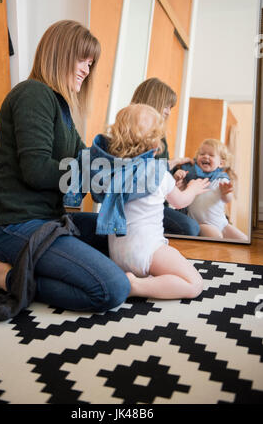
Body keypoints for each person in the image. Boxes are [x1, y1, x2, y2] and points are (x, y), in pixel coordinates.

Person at [0, 20, 131, 320]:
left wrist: (122, 161)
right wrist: (90, 171)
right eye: (82, 60)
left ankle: (29, 268)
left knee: (122, 237)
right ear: (60, 52)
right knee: (113, 288)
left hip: (47, 221)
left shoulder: (62, 110)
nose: (87, 70)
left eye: (91, 63)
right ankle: (7, 278)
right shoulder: (33, 94)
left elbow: (85, 159)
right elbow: (36, 170)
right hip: (11, 224)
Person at [65, 104, 209, 300]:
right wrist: (193, 189)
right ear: (155, 144)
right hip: (149, 251)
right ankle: (137, 286)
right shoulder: (158, 172)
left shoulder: (111, 170)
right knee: (194, 283)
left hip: (118, 255)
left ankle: (137, 279)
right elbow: (181, 201)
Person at [131, 78, 200, 236]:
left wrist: (174, 177)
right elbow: (145, 171)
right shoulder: (134, 134)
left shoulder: (159, 137)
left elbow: (159, 172)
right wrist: (192, 189)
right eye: (166, 106)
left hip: (158, 202)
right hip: (141, 206)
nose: (168, 112)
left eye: (170, 107)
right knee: (190, 227)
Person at [173, 138, 248, 240]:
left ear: (221, 163)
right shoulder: (190, 176)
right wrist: (178, 176)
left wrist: (226, 193)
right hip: (202, 223)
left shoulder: (221, 178)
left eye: (211, 155)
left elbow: (228, 199)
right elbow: (179, 192)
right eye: (202, 154)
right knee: (216, 236)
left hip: (222, 223)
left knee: (243, 239)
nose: (205, 156)